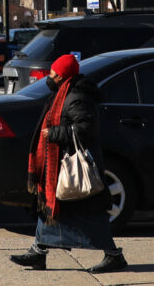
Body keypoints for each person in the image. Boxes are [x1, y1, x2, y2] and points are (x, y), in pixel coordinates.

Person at [9, 54, 127, 274]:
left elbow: (86, 129)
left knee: (88, 216)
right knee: (51, 210)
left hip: (72, 168)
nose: (49, 76)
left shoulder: (76, 97)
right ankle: (38, 252)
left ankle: (114, 256)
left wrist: (54, 133)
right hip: (59, 166)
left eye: (53, 73)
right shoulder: (63, 93)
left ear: (62, 75)